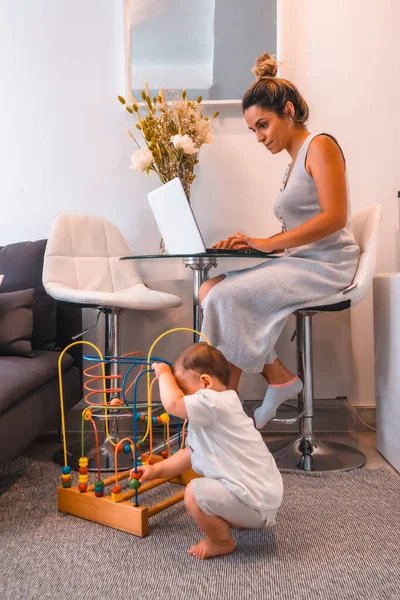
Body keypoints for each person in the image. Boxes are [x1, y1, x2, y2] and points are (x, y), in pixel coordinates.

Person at [199, 52, 360, 428]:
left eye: (263, 125)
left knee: (225, 298)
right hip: (303, 260)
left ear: (288, 111)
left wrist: (268, 244)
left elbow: (334, 217)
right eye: (254, 130)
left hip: (327, 264)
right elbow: (297, 232)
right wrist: (255, 242)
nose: (259, 137)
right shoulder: (294, 162)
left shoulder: (320, 146)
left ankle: (223, 422)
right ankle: (277, 376)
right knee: (208, 289)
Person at [134, 342, 283, 560]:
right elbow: (189, 453)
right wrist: (155, 470)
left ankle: (221, 541)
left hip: (254, 500)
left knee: (194, 494)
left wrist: (164, 374)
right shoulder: (219, 410)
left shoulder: (212, 401)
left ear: (205, 382)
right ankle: (240, 516)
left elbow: (173, 404)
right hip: (262, 498)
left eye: (183, 390)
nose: (183, 397)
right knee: (208, 488)